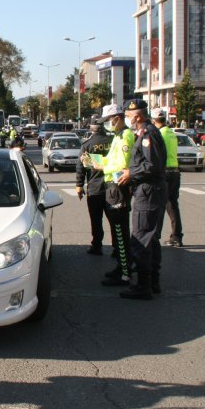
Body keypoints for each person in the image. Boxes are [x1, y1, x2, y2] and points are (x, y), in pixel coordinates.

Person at [117, 99, 168, 300]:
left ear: (137, 116)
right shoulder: (145, 133)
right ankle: (152, 282)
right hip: (151, 190)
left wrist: (131, 173)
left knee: (141, 238)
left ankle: (143, 285)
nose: (127, 119)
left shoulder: (148, 134)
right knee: (151, 238)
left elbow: (152, 166)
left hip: (148, 192)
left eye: (128, 116)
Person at [90, 104, 135, 287]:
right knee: (118, 231)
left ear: (117, 118)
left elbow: (123, 165)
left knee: (120, 231)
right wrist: (96, 161)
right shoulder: (117, 136)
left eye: (108, 120)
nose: (107, 124)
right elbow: (112, 158)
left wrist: (103, 167)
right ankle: (122, 267)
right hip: (111, 186)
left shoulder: (125, 136)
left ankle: (125, 273)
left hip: (118, 187)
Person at [76, 118, 113, 255]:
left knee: (96, 219)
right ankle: (117, 247)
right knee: (115, 220)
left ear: (91, 129)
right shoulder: (112, 142)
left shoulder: (88, 144)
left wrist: (79, 186)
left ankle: (97, 245)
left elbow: (81, 167)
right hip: (112, 187)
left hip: (95, 188)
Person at [152, 109, 183, 247]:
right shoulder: (171, 133)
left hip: (164, 172)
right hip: (175, 171)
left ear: (153, 121)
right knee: (172, 205)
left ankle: (155, 237)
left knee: (159, 204)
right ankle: (177, 236)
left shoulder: (159, 134)